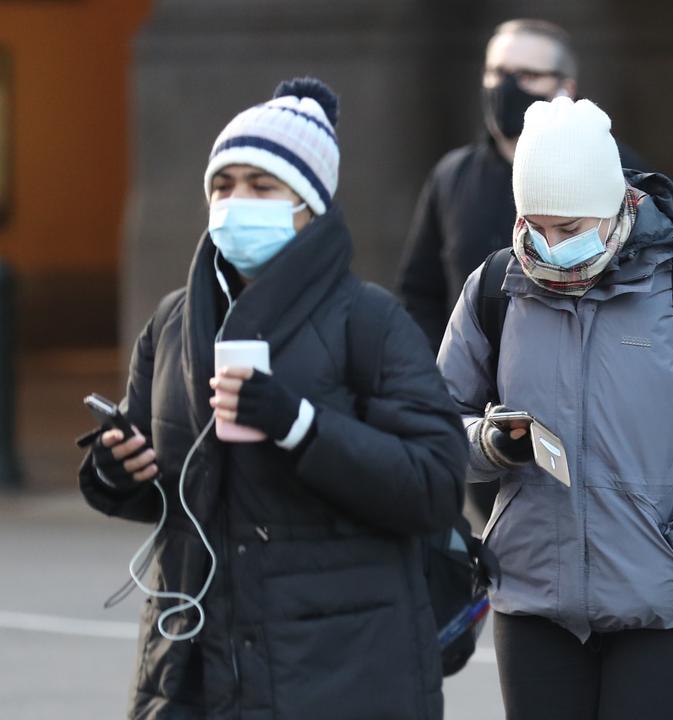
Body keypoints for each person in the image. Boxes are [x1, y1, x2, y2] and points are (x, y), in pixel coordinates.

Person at [78, 78, 467, 718]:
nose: (235, 202)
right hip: (195, 669)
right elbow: (170, 488)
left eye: (262, 187)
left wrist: (301, 426)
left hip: (339, 672)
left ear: (309, 205)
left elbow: (433, 484)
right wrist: (115, 472)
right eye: (223, 186)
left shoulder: (369, 321)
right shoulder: (173, 324)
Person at [436, 96, 673, 720]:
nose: (548, 245)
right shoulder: (494, 289)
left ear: (619, 205)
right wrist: (487, 443)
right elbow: (432, 429)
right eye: (533, 226)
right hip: (533, 599)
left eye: (569, 229)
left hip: (663, 605)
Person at [396, 17, 647, 531]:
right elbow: (417, 294)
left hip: (593, 441)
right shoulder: (454, 178)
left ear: (566, 89)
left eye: (526, 74)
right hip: (478, 438)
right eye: (496, 71)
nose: (506, 87)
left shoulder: (622, 179)